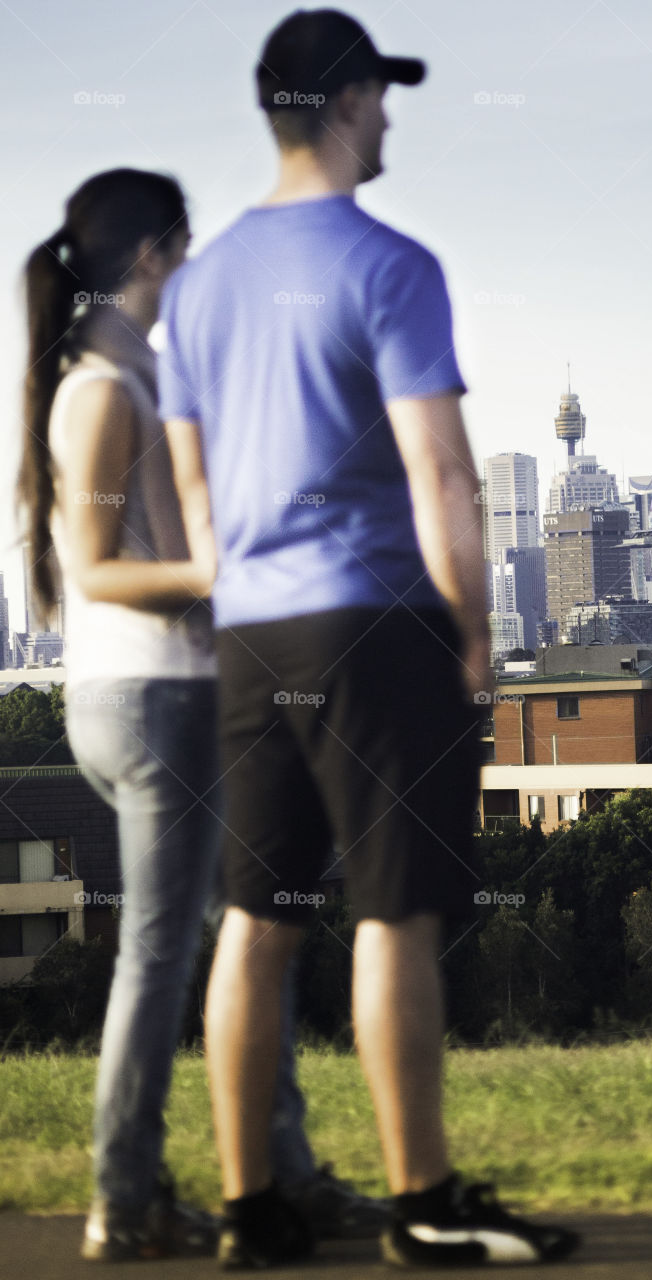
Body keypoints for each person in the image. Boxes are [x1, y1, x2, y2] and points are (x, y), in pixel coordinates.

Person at [159, 9, 580, 1269]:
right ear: (344, 104)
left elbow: (195, 495)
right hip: (373, 622)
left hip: (253, 630)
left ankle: (251, 1207)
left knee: (258, 913)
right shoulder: (390, 264)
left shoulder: (199, 282)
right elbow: (445, 477)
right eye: (382, 96)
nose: (391, 115)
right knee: (393, 913)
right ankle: (424, 1201)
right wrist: (474, 635)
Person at [17, 167, 388, 1263]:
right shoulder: (99, 387)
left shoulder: (133, 373)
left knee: (248, 935)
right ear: (151, 258)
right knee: (164, 950)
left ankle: (285, 1176)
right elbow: (94, 566)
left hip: (175, 691)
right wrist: (222, 569)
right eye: (183, 253)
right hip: (153, 696)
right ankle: (124, 1197)